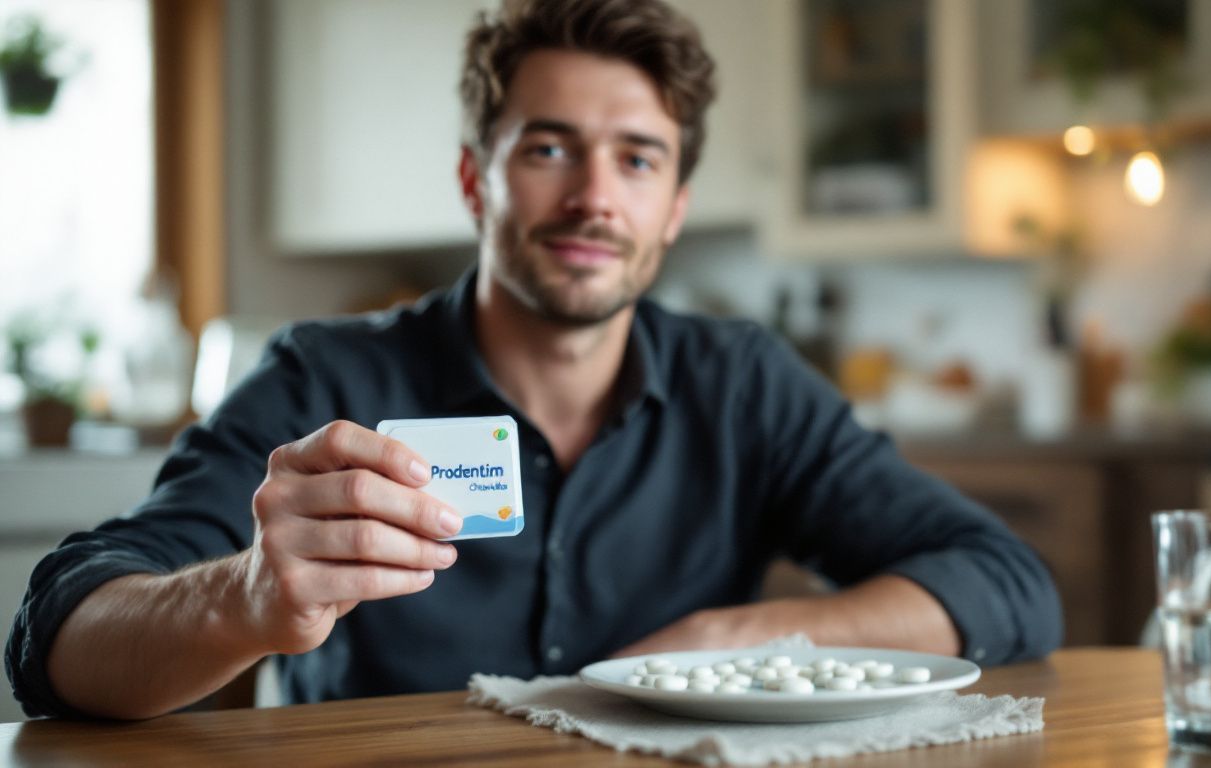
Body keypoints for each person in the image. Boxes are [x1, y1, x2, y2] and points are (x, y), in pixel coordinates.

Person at [6, 0, 1061, 720]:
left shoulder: (742, 385)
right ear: (477, 180)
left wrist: (727, 637)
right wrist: (241, 597)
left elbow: (1007, 584)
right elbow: (57, 639)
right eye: (549, 148)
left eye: (637, 158)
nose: (595, 196)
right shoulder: (328, 381)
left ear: (675, 207)